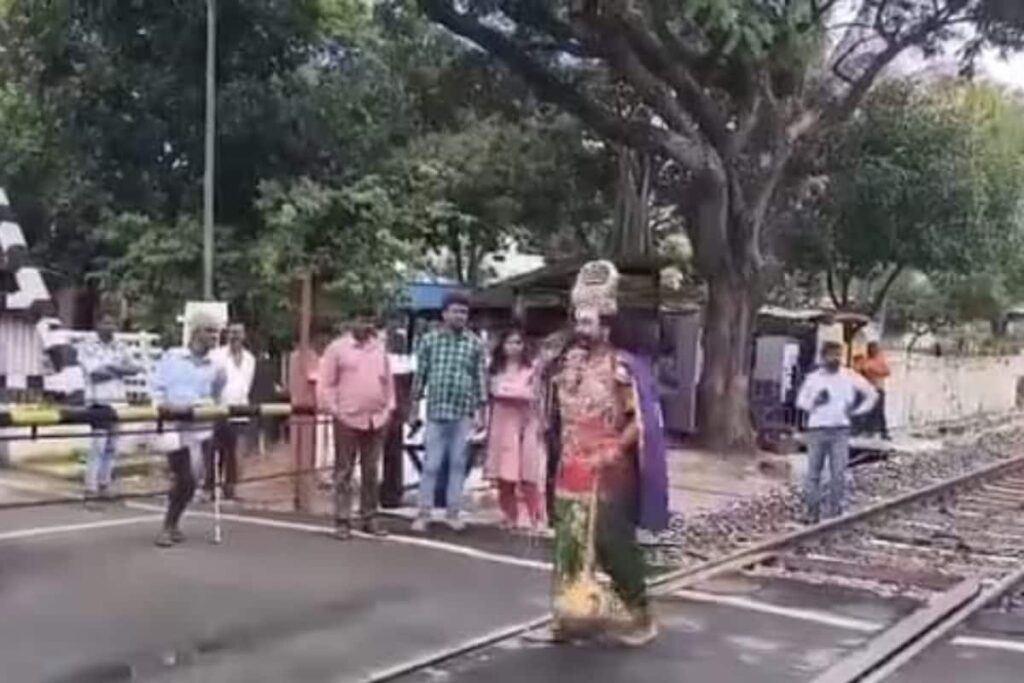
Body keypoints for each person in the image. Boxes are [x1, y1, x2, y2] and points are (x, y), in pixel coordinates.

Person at [542, 260, 668, 648]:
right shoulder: (565, 365)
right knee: (568, 546)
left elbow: (639, 421)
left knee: (613, 545)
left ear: (607, 325)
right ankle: (571, 615)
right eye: (578, 320)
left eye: (589, 321)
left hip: (609, 471)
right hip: (570, 466)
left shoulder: (622, 366)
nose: (582, 328)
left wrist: (614, 449)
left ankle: (640, 613)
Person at [410, 293, 487, 533]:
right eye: (455, 311)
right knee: (431, 464)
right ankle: (424, 513)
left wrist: (481, 412)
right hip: (436, 412)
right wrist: (413, 409)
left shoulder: (474, 343)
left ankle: (453, 512)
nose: (460, 316)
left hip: (463, 413)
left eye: (464, 312)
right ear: (444, 313)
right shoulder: (429, 340)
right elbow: (420, 376)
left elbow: (480, 379)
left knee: (457, 465)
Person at [317, 312, 395, 539]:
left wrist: (389, 408)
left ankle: (369, 516)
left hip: (376, 418)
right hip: (347, 418)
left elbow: (388, 382)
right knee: (344, 470)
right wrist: (335, 409)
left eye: (369, 320)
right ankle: (342, 520)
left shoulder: (379, 349)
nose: (365, 324)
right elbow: (326, 383)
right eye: (361, 320)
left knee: (371, 470)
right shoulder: (337, 349)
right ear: (352, 322)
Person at [152, 311, 225, 548]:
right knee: (185, 475)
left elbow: (216, 396)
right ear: (196, 332)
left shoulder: (216, 366)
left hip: (200, 427)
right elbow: (156, 387)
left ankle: (174, 522)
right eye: (210, 331)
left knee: (193, 481)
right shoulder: (172, 357)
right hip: (172, 425)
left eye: (216, 332)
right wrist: (162, 406)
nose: (214, 336)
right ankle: (167, 526)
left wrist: (210, 409)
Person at [796, 341, 878, 523]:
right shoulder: (814, 378)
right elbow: (801, 402)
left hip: (840, 430)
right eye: (831, 355)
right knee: (813, 473)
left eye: (838, 355)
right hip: (817, 429)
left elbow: (872, 394)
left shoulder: (848, 376)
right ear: (823, 357)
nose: (835, 359)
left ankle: (835, 512)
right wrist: (814, 402)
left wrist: (857, 411)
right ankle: (812, 512)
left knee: (838, 473)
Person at [78, 310, 143, 504]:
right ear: (97, 325)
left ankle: (105, 485)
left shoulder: (120, 346)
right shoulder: (88, 346)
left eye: (113, 324)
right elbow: (95, 373)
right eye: (106, 323)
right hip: (98, 401)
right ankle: (91, 488)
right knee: (98, 445)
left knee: (113, 446)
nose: (110, 327)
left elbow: (135, 368)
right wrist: (119, 370)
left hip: (118, 402)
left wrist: (113, 368)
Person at [484, 328, 545, 531]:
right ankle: (509, 514)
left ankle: (531, 515)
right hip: (502, 423)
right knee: (505, 472)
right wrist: (514, 391)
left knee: (527, 471)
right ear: (502, 346)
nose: (514, 347)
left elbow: (532, 394)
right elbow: (493, 391)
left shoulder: (532, 368)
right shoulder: (495, 368)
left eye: (518, 342)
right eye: (510, 342)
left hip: (526, 422)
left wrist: (509, 391)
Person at [206, 322, 255, 501]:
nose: (235, 336)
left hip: (241, 411)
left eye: (238, 333)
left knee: (234, 454)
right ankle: (209, 488)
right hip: (219, 409)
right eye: (232, 332)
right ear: (227, 335)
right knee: (214, 451)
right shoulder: (216, 356)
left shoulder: (250, 359)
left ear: (244, 336)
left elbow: (246, 385)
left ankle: (230, 489)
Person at [859, 341, 891, 440]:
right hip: (867, 389)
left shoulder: (881, 360)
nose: (872, 351)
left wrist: (875, 371)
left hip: (878, 388)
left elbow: (887, 372)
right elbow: (860, 372)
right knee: (868, 410)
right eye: (870, 349)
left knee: (880, 411)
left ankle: (884, 432)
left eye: (874, 349)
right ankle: (868, 431)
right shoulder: (865, 360)